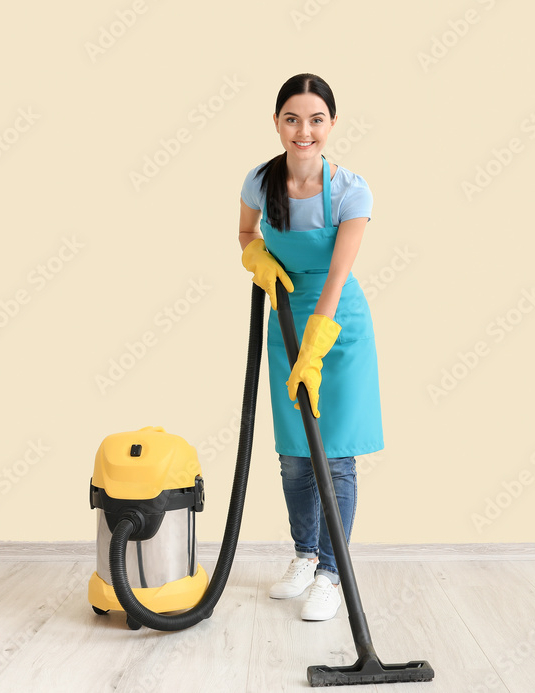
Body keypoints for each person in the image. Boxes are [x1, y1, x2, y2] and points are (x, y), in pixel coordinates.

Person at [238, 73, 383, 621]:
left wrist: (316, 349)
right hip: (286, 324)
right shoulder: (258, 182)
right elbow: (247, 235)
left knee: (335, 456)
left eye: (316, 119)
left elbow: (338, 275)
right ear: (277, 122)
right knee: (295, 457)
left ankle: (330, 570)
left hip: (336, 327)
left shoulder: (351, 191)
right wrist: (257, 260)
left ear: (332, 125)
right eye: (292, 119)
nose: (304, 131)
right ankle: (304, 556)